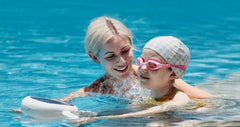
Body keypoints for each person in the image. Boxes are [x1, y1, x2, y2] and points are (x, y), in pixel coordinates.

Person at [59, 16, 212, 103]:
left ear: (131, 45)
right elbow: (59, 103)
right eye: (111, 56)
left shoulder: (149, 74)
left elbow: (209, 101)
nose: (122, 61)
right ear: (94, 57)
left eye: (125, 51)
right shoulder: (97, 90)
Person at [73, 36, 205, 124]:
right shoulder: (145, 98)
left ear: (172, 74)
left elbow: (159, 110)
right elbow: (130, 112)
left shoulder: (180, 98)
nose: (142, 68)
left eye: (152, 65)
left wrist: (103, 118)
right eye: (141, 61)